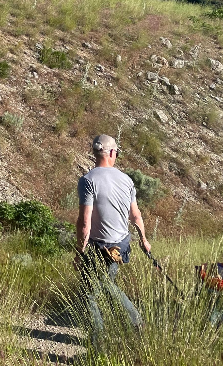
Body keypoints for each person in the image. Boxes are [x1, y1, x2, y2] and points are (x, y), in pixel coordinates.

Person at [76, 134, 150, 347]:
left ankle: (98, 340)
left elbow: (84, 222)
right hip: (121, 245)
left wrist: (80, 251)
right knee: (106, 284)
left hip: (98, 246)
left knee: (89, 293)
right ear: (110, 152)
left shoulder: (88, 180)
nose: (116, 155)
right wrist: (144, 239)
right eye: (116, 152)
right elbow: (135, 215)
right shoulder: (126, 180)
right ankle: (134, 323)